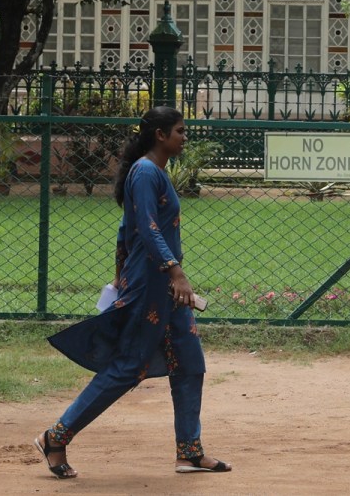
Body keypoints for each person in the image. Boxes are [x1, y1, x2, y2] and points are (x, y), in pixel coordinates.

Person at [36, 106, 231, 479]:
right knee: (128, 367)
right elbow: (145, 227)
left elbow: (124, 232)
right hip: (152, 284)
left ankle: (189, 452)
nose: (184, 137)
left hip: (162, 286)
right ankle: (55, 438)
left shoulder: (154, 172)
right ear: (160, 135)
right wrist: (175, 272)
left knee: (190, 364)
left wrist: (123, 273)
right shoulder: (144, 172)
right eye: (180, 131)